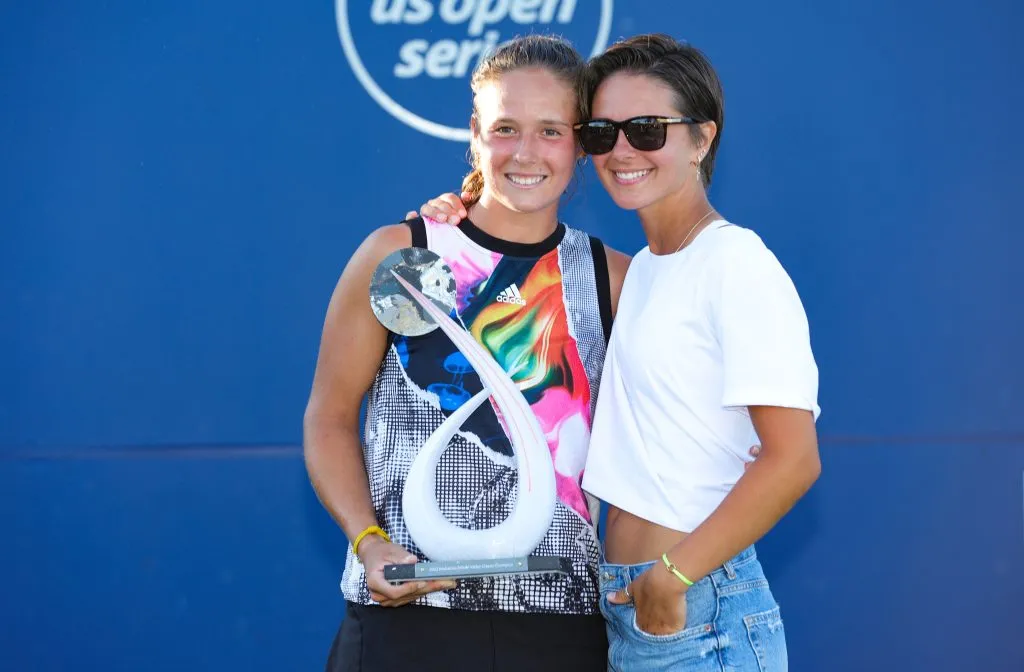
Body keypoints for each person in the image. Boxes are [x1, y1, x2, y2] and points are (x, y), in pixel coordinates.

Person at [419, 34, 821, 671]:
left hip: (696, 607)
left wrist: (672, 576)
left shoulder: (735, 262)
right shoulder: (638, 273)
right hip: (633, 603)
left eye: (649, 129)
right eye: (604, 132)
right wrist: (464, 208)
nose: (624, 150)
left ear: (702, 138)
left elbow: (794, 460)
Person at [302, 34, 631, 672]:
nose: (526, 153)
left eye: (550, 131)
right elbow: (329, 416)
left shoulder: (610, 278)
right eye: (506, 128)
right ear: (475, 132)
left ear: (580, 144)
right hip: (406, 619)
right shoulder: (399, 258)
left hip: (560, 624)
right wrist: (369, 543)